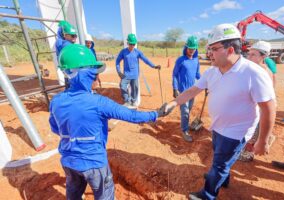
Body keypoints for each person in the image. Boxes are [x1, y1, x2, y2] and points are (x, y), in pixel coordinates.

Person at [163, 24, 276, 200]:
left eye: (213, 49)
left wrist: (263, 140)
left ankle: (207, 194)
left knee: (219, 164)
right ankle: (223, 180)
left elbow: (268, 108)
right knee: (220, 158)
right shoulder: (212, 71)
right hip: (217, 127)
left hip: (236, 133)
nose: (209, 53)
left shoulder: (253, 73)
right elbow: (193, 90)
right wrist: (174, 102)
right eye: (209, 49)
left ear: (230, 49)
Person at [49, 44, 167, 200]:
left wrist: (79, 131)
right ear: (83, 74)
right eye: (93, 73)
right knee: (105, 194)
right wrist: (156, 113)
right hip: (95, 164)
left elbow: (56, 128)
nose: (97, 78)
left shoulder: (56, 101)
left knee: (74, 193)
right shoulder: (99, 103)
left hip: (69, 162)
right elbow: (132, 116)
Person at [238, 41, 277, 162]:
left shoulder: (263, 72)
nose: (248, 57)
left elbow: (267, 102)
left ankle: (248, 154)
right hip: (252, 107)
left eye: (253, 55)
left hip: (259, 111)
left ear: (263, 56)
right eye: (249, 54)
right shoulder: (255, 68)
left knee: (253, 134)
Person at [116, 33, 161, 108]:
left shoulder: (137, 52)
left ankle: (133, 102)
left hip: (134, 75)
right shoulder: (123, 52)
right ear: (127, 43)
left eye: (134, 44)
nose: (132, 46)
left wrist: (154, 66)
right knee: (122, 86)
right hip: (126, 75)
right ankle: (127, 100)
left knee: (135, 89)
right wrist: (119, 71)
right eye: (131, 44)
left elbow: (145, 60)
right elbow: (117, 61)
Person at [172, 36, 201, 142]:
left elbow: (197, 74)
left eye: (194, 49)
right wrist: (175, 88)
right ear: (186, 48)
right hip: (182, 91)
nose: (192, 51)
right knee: (185, 111)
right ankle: (185, 131)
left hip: (192, 91)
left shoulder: (196, 60)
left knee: (188, 110)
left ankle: (185, 124)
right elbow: (174, 75)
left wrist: (206, 82)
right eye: (190, 49)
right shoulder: (180, 60)